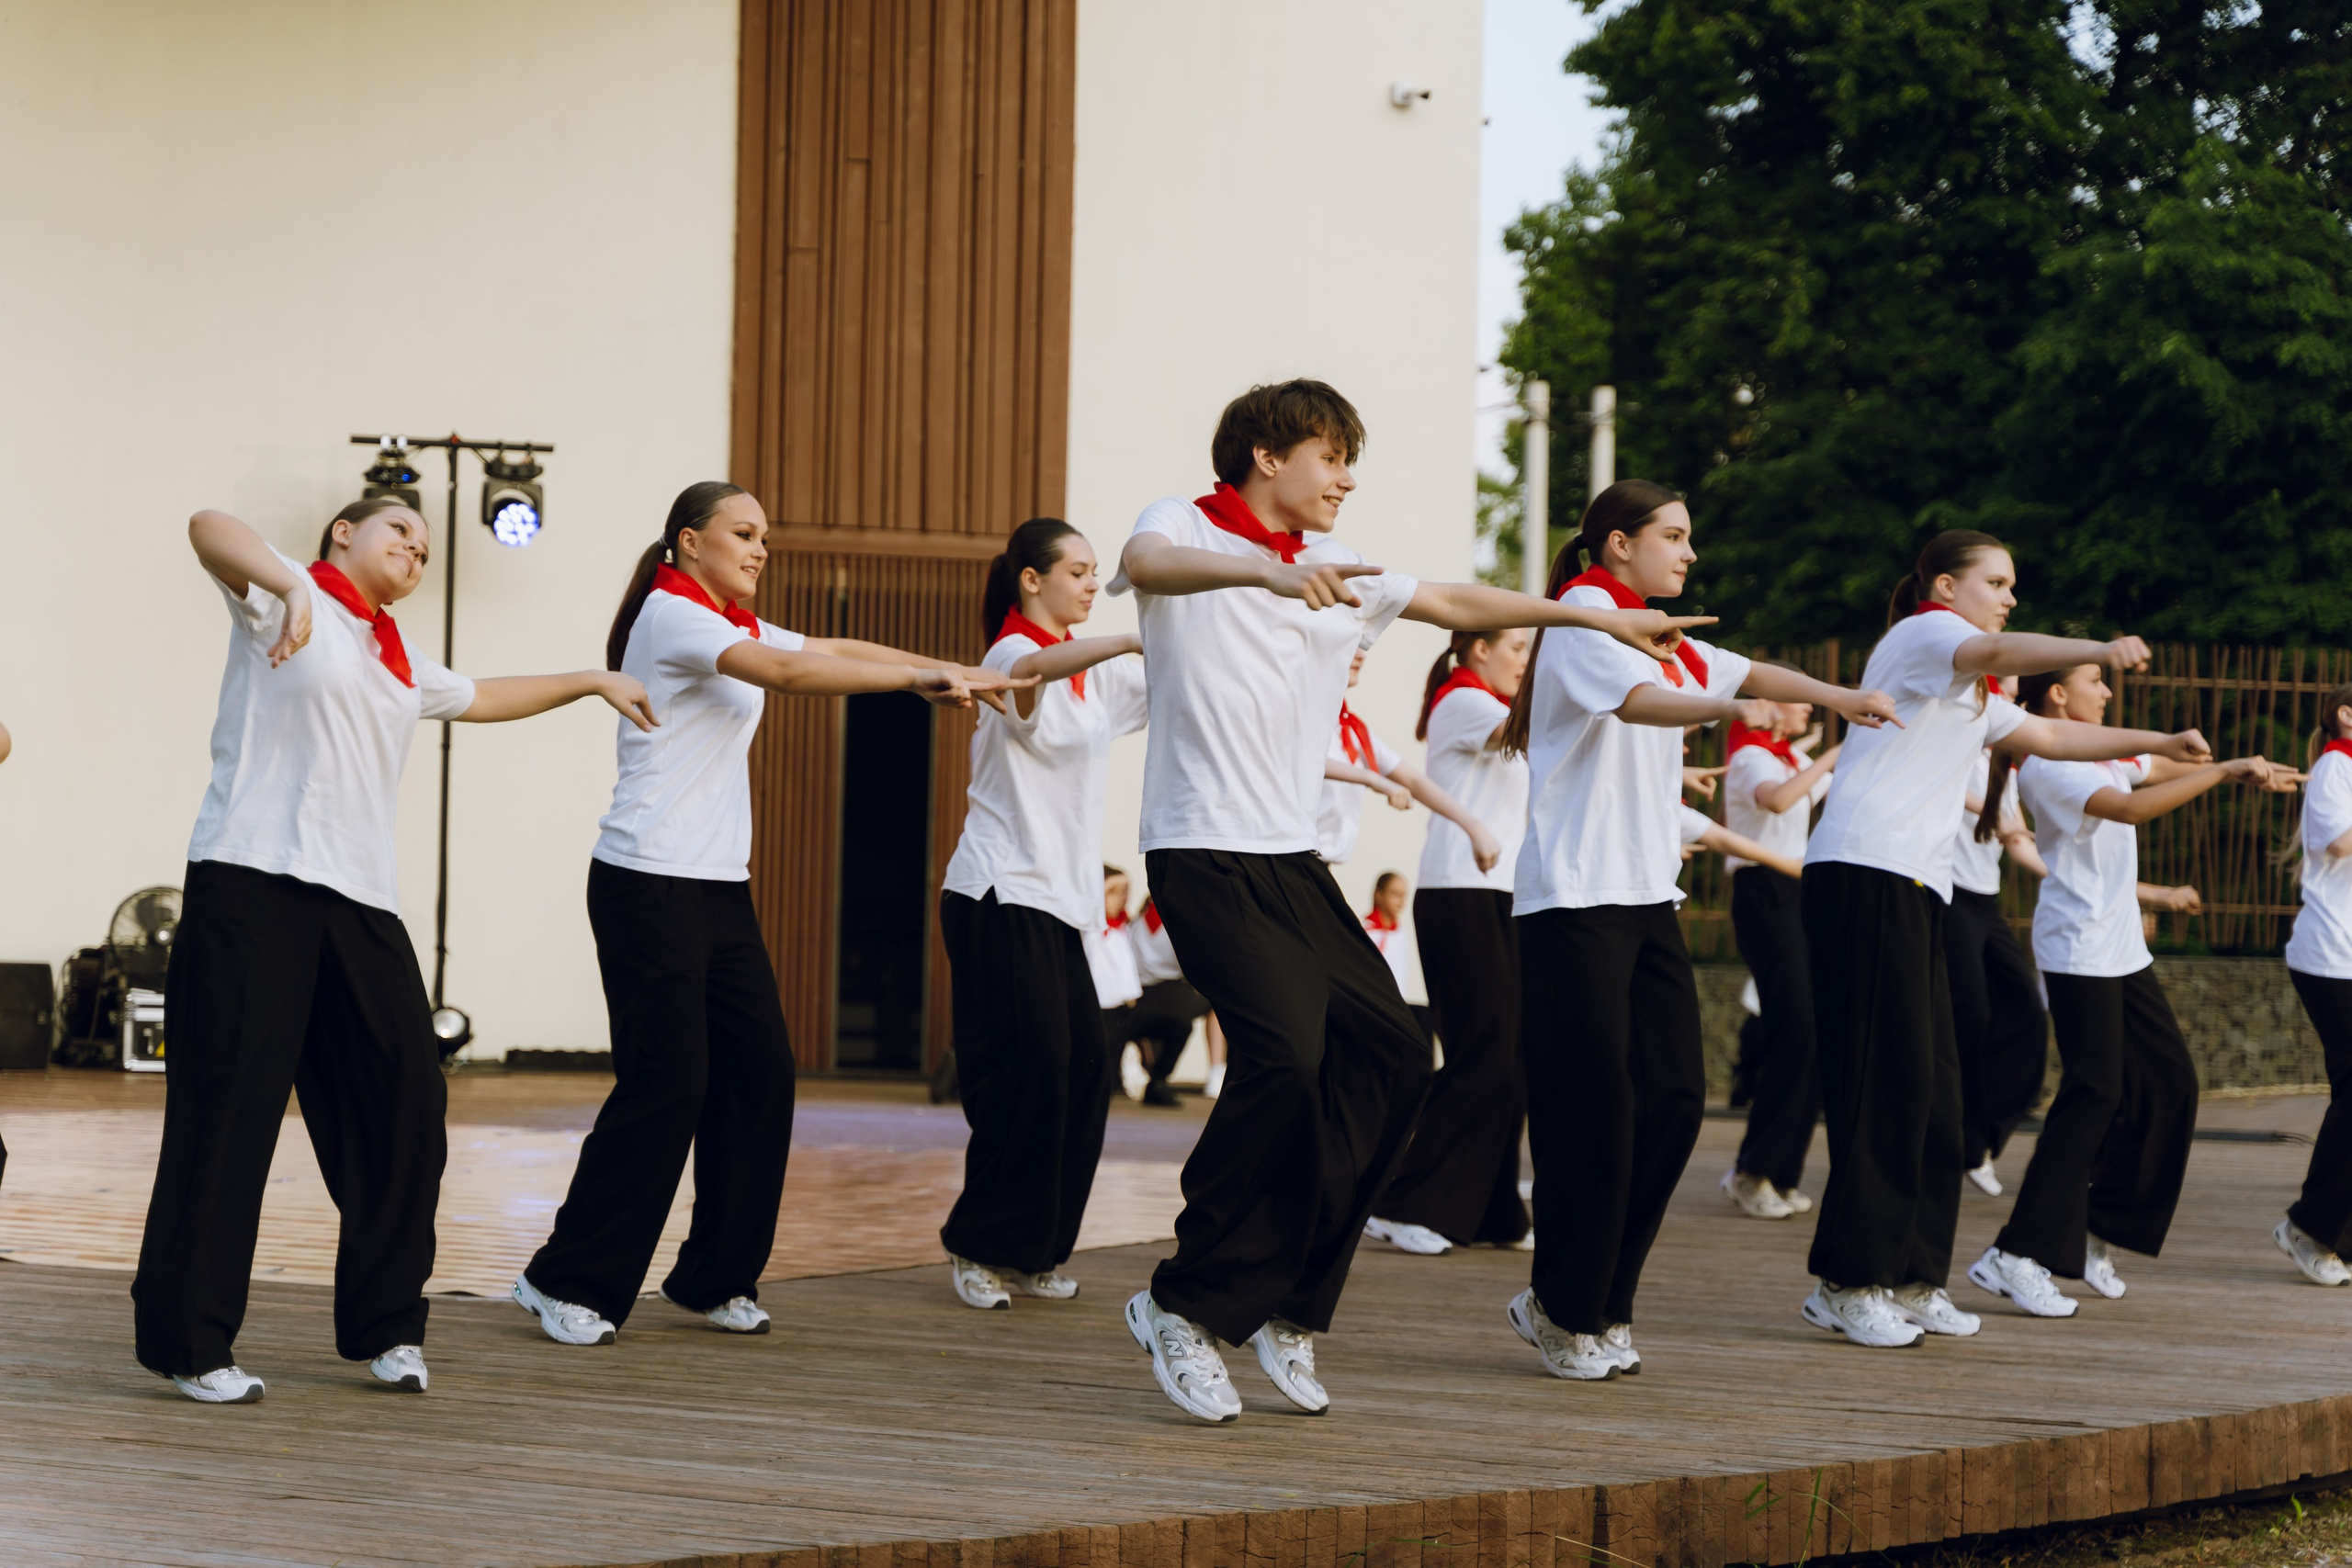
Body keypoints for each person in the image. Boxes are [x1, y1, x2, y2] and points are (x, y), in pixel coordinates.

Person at [1113, 379, 1712, 1423]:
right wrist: (1264, 570)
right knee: (1286, 1053)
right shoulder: (1185, 525)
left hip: (1292, 860)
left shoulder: (1341, 567)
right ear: (1266, 456)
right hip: (1200, 849)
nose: (1346, 479)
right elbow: (1146, 565)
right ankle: (1184, 1301)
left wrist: (1587, 615)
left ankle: (1289, 1302)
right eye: (1330, 457)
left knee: (1393, 1055)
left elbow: (1456, 602)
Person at [135, 499, 658, 1404]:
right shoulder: (279, 600)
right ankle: (190, 1341)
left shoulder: (396, 659)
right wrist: (290, 583)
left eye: (423, 546)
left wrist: (589, 679)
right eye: (399, 532)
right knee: (229, 1113)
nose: (415, 548)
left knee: (408, 1106)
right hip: (254, 880)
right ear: (343, 533)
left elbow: (484, 696)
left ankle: (387, 1326)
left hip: (360, 902)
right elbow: (207, 525)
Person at [512, 482, 1015, 1348]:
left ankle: (714, 1277)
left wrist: (950, 670)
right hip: (646, 880)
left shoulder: (727, 620)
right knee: (667, 1082)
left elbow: (828, 646)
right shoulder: (674, 615)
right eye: (743, 533)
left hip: (716, 885)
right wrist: (914, 679)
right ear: (688, 542)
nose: (759, 549)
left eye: (765, 538)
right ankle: (564, 1278)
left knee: (759, 1074)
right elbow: (789, 674)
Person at [1496, 479, 1899, 1383]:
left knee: (1675, 1101)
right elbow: (1640, 703)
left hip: (1645, 899)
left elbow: (1748, 672)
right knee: (1591, 1114)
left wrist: (1837, 694)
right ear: (1618, 544)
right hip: (1573, 901)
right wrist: (1731, 710)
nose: (1688, 552)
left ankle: (1598, 1300)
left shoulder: (1661, 634)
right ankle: (1564, 1305)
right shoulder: (1585, 615)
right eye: (1673, 536)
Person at [1795, 529, 2210, 1349]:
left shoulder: (1969, 695)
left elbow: (2053, 738)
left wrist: (2159, 744)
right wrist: (2097, 647)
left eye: (2014, 584)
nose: (2010, 596)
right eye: (1997, 581)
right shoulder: (1925, 635)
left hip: (1917, 885)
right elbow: (1993, 649)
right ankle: (1846, 1281)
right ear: (1945, 587)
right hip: (1864, 871)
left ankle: (1913, 1276)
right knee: (1887, 1082)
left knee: (1941, 1090)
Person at [1969, 664, 2290, 1314]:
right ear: (2058, 693)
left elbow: (2154, 769)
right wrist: (2222, 773)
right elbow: (2132, 806)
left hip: (2119, 947)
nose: (2108, 692)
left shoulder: (2098, 754)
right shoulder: (2048, 764)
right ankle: (2015, 1253)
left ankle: (2097, 1225)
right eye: (2096, 680)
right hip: (2078, 947)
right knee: (2094, 1092)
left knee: (2170, 1082)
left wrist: (2235, 768)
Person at [937, 518, 1149, 1311]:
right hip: (999, 893)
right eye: (1078, 571)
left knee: (1085, 1073)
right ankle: (978, 1243)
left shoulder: (1094, 682)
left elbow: (1179, 686)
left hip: (1061, 904)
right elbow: (1031, 670)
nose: (1092, 584)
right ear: (1032, 579)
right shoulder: (1006, 654)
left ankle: (1036, 1246)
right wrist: (1122, 640)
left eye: (1097, 572)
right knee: (1026, 1073)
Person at [1363, 629, 1534, 1258]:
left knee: (1512, 1059)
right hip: (1460, 893)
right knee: (1480, 1054)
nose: (1527, 661)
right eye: (1518, 647)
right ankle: (1399, 1202)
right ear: (1478, 649)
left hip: (1500, 894)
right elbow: (1529, 728)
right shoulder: (1463, 701)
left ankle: (1492, 1211)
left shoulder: (1490, 704)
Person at [1718, 700, 1837, 1221]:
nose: (1808, 708)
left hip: (1795, 894)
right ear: (1769, 709)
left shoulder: (1787, 757)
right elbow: (1780, 800)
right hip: (1763, 892)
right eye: (1798, 701)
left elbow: (1819, 784)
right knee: (1798, 1032)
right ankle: (1752, 1172)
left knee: (1811, 1035)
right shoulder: (1752, 758)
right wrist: (1833, 752)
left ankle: (1778, 1173)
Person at [1947, 701, 2051, 1200]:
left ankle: (1982, 1138)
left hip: (1985, 904)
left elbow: (2017, 840)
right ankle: (1961, 1145)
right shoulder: (1955, 741)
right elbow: (1945, 788)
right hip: (1946, 897)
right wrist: (1995, 815)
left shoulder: (2006, 767)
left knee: (2027, 1013)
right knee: (1969, 1017)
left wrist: (2067, 877)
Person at [2278, 682, 2352, 1287]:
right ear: (2346, 715)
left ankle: (2329, 1232)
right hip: (2331, 956)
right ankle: (2310, 1228)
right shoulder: (2334, 766)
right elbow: (2341, 842)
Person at [1318, 649, 1499, 874]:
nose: (1362, 655)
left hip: (1317, 867)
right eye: (1351, 644)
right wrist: (1372, 779)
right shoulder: (1301, 720)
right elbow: (1308, 760)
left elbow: (1413, 780)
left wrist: (1473, 826)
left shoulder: (1351, 729)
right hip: (1290, 861)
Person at [1117, 894, 1218, 1106]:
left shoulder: (1134, 924)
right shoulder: (1177, 924)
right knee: (1216, 1005)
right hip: (1170, 991)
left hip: (1139, 993)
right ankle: (1216, 1071)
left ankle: (1148, 1069)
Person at [1089, 865, 1147, 1069]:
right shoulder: (1091, 928)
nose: (1121, 898)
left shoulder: (1123, 926)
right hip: (1101, 1006)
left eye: (1125, 892)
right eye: (1112, 892)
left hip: (1123, 1004)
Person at [1359, 873, 1425, 1033]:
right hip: (1376, 1007)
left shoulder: (1400, 933)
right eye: (1395, 894)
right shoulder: (1367, 932)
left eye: (1404, 896)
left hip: (1399, 1006)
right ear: (1379, 894)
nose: (1400, 901)